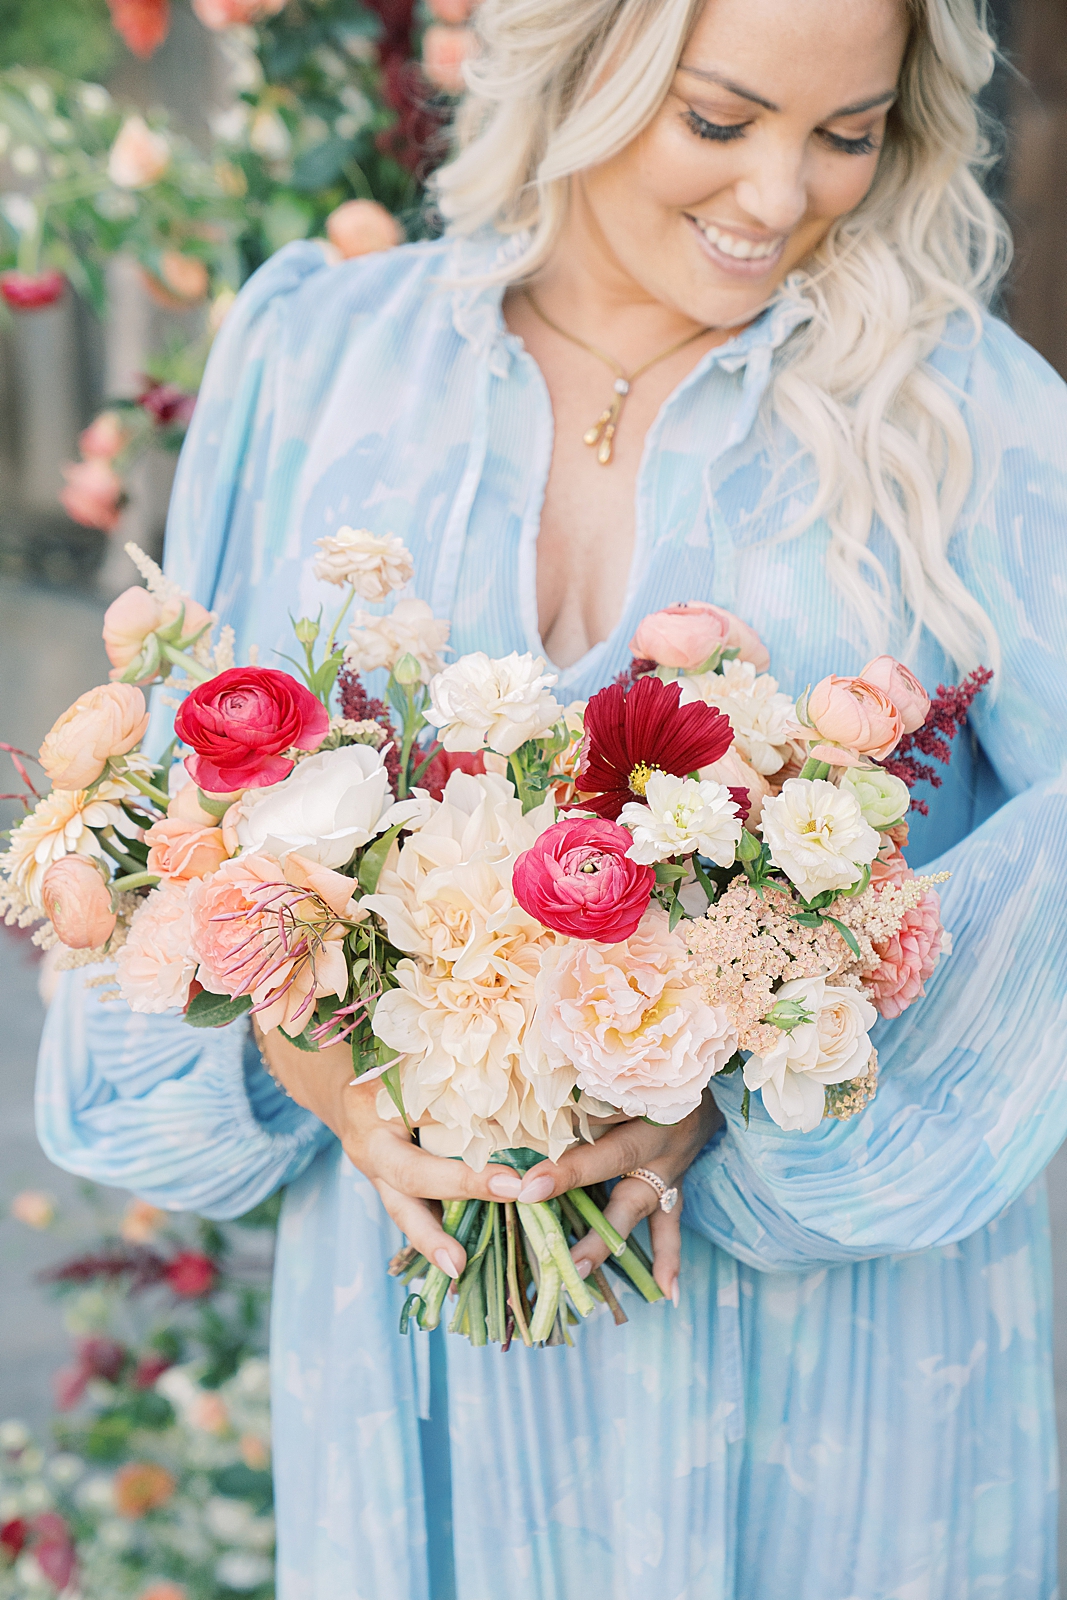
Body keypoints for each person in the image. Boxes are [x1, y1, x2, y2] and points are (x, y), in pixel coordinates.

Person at [36, 0, 1067, 1593]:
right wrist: (309, 1043)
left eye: (846, 134)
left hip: (826, 1364)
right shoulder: (320, 349)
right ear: (580, 60)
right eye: (719, 122)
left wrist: (749, 1054)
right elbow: (192, 806)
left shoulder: (959, 414)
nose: (781, 197)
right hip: (415, 1337)